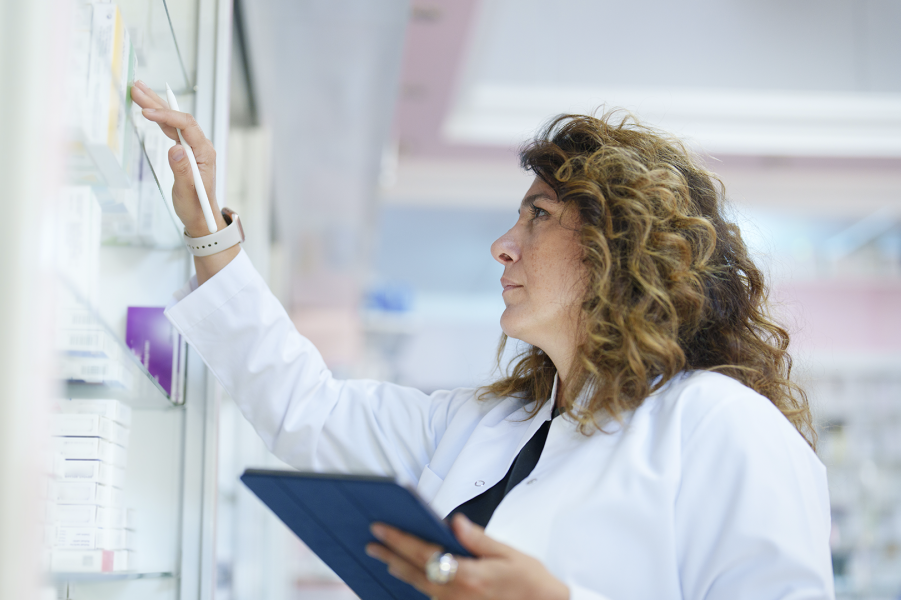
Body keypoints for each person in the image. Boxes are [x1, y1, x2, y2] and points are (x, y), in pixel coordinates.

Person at [131, 79, 835, 599]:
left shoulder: (721, 425)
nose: (503, 244)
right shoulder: (483, 426)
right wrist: (208, 230)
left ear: (618, 245)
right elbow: (307, 409)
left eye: (538, 216)